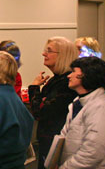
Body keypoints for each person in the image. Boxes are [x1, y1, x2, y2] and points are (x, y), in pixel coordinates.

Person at [28, 36, 78, 169]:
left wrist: (34, 88)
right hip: (49, 142)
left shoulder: (65, 84)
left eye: (49, 51)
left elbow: (40, 112)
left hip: (58, 146)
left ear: (63, 55)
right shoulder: (55, 80)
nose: (44, 54)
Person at [57, 57, 105, 168]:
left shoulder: (101, 107)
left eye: (73, 71)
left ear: (86, 75)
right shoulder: (77, 103)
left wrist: (66, 167)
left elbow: (93, 152)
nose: (69, 75)